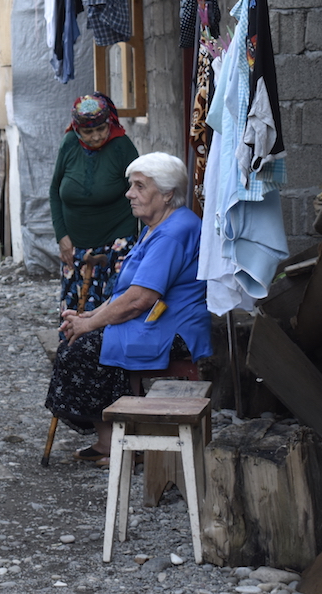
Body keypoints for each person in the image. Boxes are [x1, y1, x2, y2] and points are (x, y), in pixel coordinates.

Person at [47, 152, 213, 463]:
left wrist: (89, 326)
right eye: (131, 185)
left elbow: (140, 299)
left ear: (166, 194)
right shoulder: (156, 226)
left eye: (139, 186)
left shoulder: (174, 232)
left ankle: (121, 443)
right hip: (153, 319)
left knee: (85, 348)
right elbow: (126, 291)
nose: (129, 194)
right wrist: (88, 316)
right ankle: (113, 439)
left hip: (173, 328)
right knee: (79, 339)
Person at [48, 92, 140, 312]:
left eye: (101, 129)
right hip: (75, 246)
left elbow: (143, 192)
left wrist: (144, 242)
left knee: (115, 309)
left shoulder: (122, 146)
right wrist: (62, 235)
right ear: (77, 130)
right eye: (88, 132)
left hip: (117, 242)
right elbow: (54, 191)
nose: (96, 137)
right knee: (77, 310)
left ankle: (111, 348)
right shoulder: (69, 143)